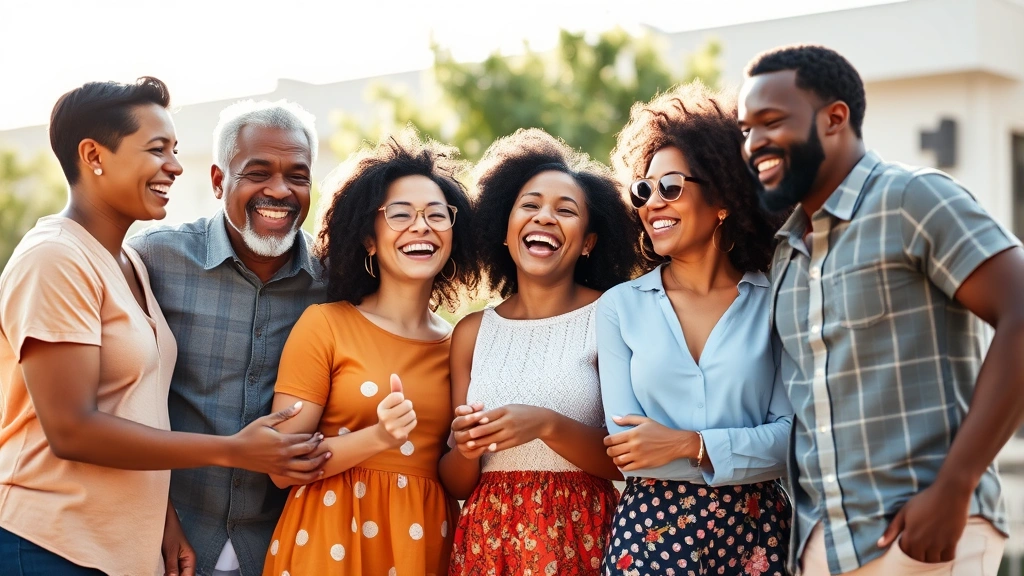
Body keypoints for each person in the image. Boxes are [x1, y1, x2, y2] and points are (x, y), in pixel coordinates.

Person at [0, 78, 326, 576]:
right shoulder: (55, 257)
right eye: (158, 150)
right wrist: (234, 450)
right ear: (94, 155)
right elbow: (70, 429)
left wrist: (164, 516)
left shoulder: (130, 262)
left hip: (121, 548)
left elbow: (139, 408)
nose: (174, 165)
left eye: (174, 150)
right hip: (49, 541)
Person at [737, 44, 1024, 575]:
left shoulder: (913, 198)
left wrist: (956, 485)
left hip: (925, 535)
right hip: (824, 546)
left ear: (834, 119)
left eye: (770, 122)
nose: (754, 143)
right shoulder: (786, 252)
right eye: (745, 129)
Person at [598, 82, 794, 576]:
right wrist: (742, 446)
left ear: (724, 199)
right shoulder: (619, 308)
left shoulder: (775, 302)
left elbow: (791, 441)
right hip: (651, 533)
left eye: (671, 187)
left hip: (758, 535)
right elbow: (630, 452)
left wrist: (690, 444)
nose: (652, 204)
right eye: (644, 190)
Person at [261, 128, 477, 576]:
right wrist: (378, 438)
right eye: (400, 214)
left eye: (437, 214)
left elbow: (455, 475)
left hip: (422, 546)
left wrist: (471, 447)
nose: (422, 226)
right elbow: (280, 466)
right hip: (327, 543)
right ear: (368, 238)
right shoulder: (325, 325)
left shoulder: (461, 343)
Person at [128, 99, 327, 576]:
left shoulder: (336, 285)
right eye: (258, 173)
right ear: (219, 181)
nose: (279, 190)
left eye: (297, 176)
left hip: (285, 548)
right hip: (162, 545)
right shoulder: (152, 261)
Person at [441, 128, 640, 575]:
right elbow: (455, 479)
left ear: (588, 242)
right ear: (505, 231)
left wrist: (546, 424)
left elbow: (625, 459)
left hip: (580, 536)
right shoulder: (472, 332)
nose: (544, 217)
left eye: (565, 210)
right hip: (489, 543)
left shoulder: (611, 316)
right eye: (529, 205)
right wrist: (467, 448)